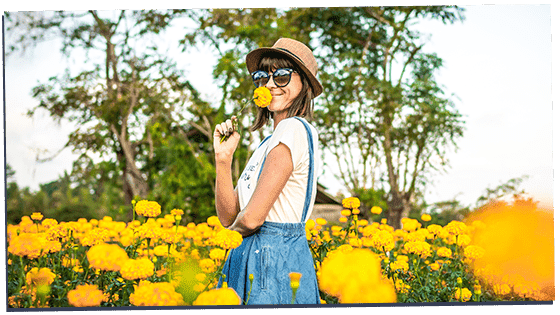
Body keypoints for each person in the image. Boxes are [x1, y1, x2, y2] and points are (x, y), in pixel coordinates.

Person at [213, 38, 323, 305]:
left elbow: (250, 220)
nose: (270, 84)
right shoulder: (266, 144)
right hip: (253, 255)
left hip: (273, 259)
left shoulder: (293, 129)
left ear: (304, 84)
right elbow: (229, 216)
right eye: (262, 77)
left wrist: (224, 241)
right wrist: (223, 159)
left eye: (282, 76)